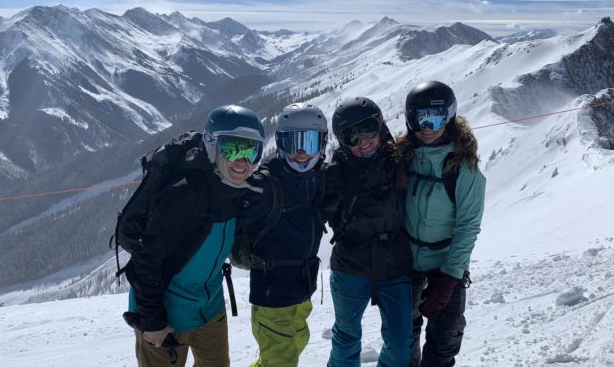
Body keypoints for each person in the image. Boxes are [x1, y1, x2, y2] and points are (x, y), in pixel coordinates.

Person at [125, 105, 265, 367]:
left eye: (250, 150)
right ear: (212, 147)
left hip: (209, 307)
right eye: (232, 149)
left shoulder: (237, 189)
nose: (242, 161)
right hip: (167, 313)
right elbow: (145, 261)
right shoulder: (186, 194)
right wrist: (153, 321)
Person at [397, 81, 485, 367]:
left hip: (446, 260)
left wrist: (450, 277)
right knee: (402, 337)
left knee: (445, 339)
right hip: (407, 258)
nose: (427, 127)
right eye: (418, 119)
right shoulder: (402, 157)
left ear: (449, 117)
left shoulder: (463, 166)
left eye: (435, 118)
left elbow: (468, 225)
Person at [324, 97, 415, 367]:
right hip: (350, 266)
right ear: (342, 140)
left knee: (400, 343)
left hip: (395, 264)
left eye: (368, 130)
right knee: (346, 339)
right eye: (352, 136)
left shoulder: (401, 159)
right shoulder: (334, 173)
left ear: (381, 125)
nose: (364, 141)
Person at [237, 102, 328, 367]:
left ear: (322, 144)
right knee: (281, 359)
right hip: (272, 292)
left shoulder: (317, 178)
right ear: (279, 143)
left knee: (296, 343)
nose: (300, 153)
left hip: (302, 288)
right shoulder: (264, 184)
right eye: (292, 143)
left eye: (309, 143)